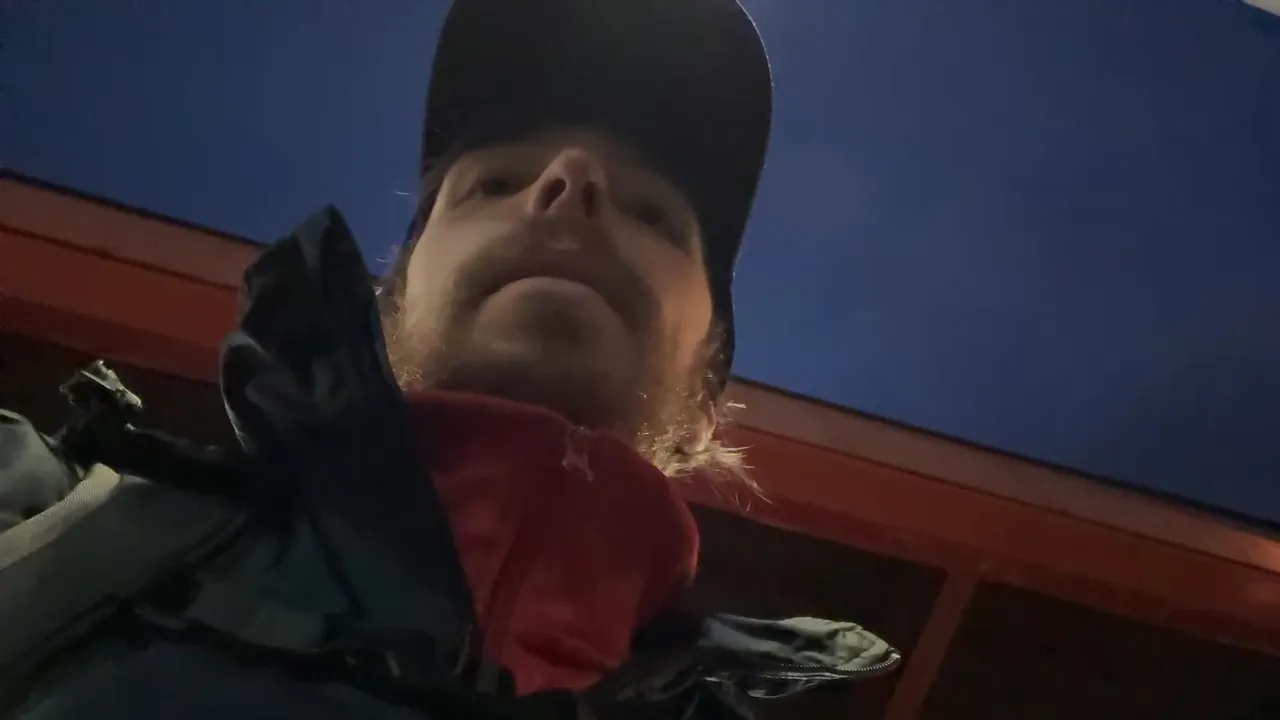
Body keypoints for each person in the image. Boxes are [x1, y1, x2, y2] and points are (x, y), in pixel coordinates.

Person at [0, 0, 901, 717]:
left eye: (652, 214)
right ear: (387, 315)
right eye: (496, 183)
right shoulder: (44, 517)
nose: (573, 178)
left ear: (707, 400)